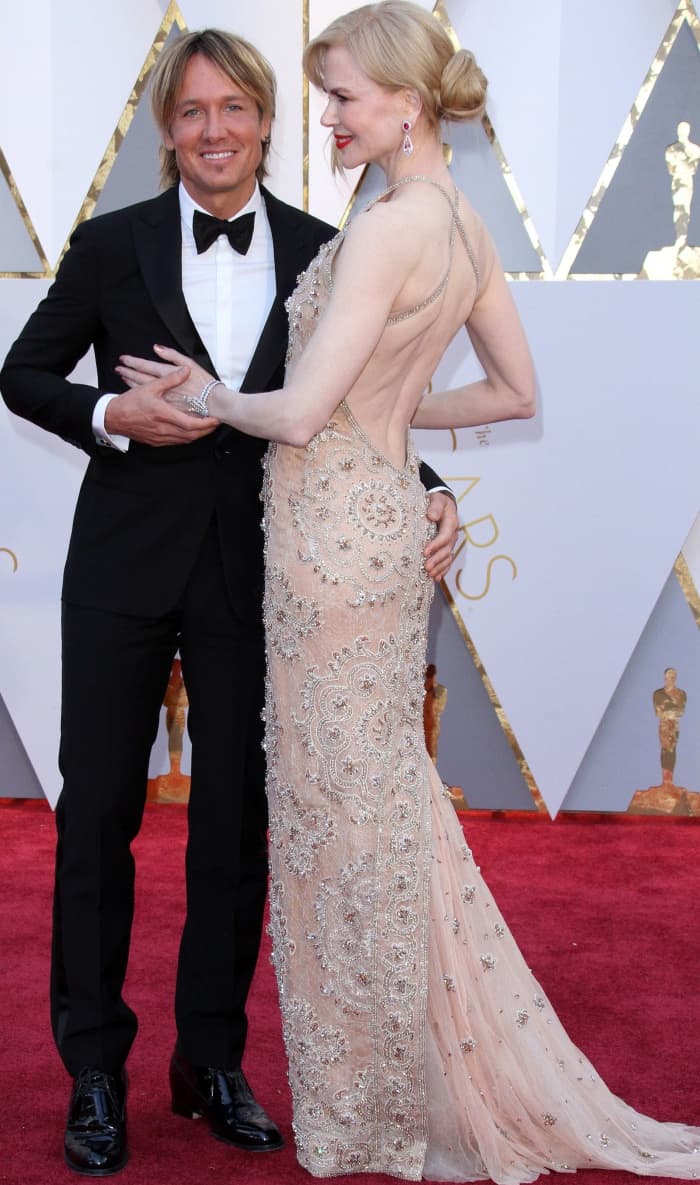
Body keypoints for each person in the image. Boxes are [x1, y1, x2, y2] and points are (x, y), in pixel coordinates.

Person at [113, 2, 700, 1181]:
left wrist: (207, 395)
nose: (323, 117)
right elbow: (509, 393)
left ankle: (380, 1100)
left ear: (405, 103)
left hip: (330, 545)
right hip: (374, 525)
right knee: (371, 807)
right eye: (323, 95)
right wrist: (381, 426)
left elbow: (291, 410)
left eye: (339, 96)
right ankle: (408, 1073)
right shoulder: (459, 224)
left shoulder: (386, 229)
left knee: (343, 820)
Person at [0, 24, 460, 1179]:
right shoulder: (110, 247)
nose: (215, 131)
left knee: (236, 830)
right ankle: (95, 1068)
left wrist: (430, 486)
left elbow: (356, 403)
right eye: (193, 112)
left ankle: (211, 1061)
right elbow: (23, 371)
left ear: (264, 121)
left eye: (235, 110)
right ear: (170, 130)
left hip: (259, 570)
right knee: (98, 815)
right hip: (117, 570)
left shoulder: (324, 245)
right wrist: (114, 418)